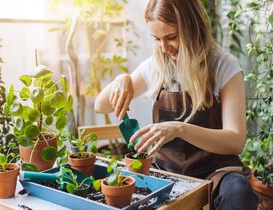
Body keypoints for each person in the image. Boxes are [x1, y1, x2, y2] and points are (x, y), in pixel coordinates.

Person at [94, 0, 258, 209]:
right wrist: (122, 78)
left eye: (171, 37)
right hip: (165, 170)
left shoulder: (223, 66)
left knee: (238, 192)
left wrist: (180, 129)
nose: (164, 47)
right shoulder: (156, 66)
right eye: (157, 39)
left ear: (193, 28)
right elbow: (101, 106)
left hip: (215, 171)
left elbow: (235, 141)